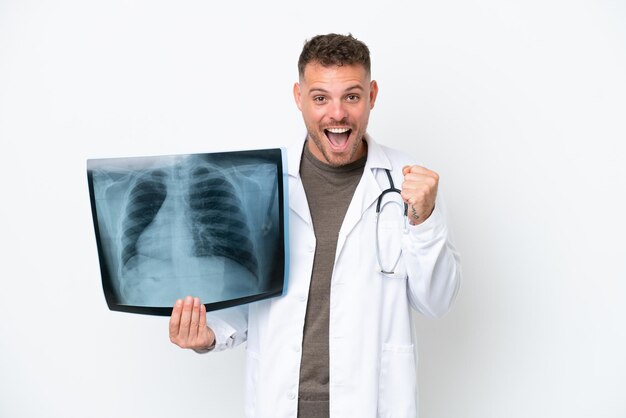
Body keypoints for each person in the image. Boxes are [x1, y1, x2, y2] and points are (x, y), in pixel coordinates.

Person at [169, 33, 461, 418]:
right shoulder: (262, 181)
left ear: (372, 96)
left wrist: (424, 221)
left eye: (352, 97)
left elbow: (437, 301)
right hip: (279, 403)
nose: (337, 114)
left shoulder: (406, 181)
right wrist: (208, 335)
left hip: (371, 403)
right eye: (321, 97)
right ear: (298, 97)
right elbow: (245, 301)